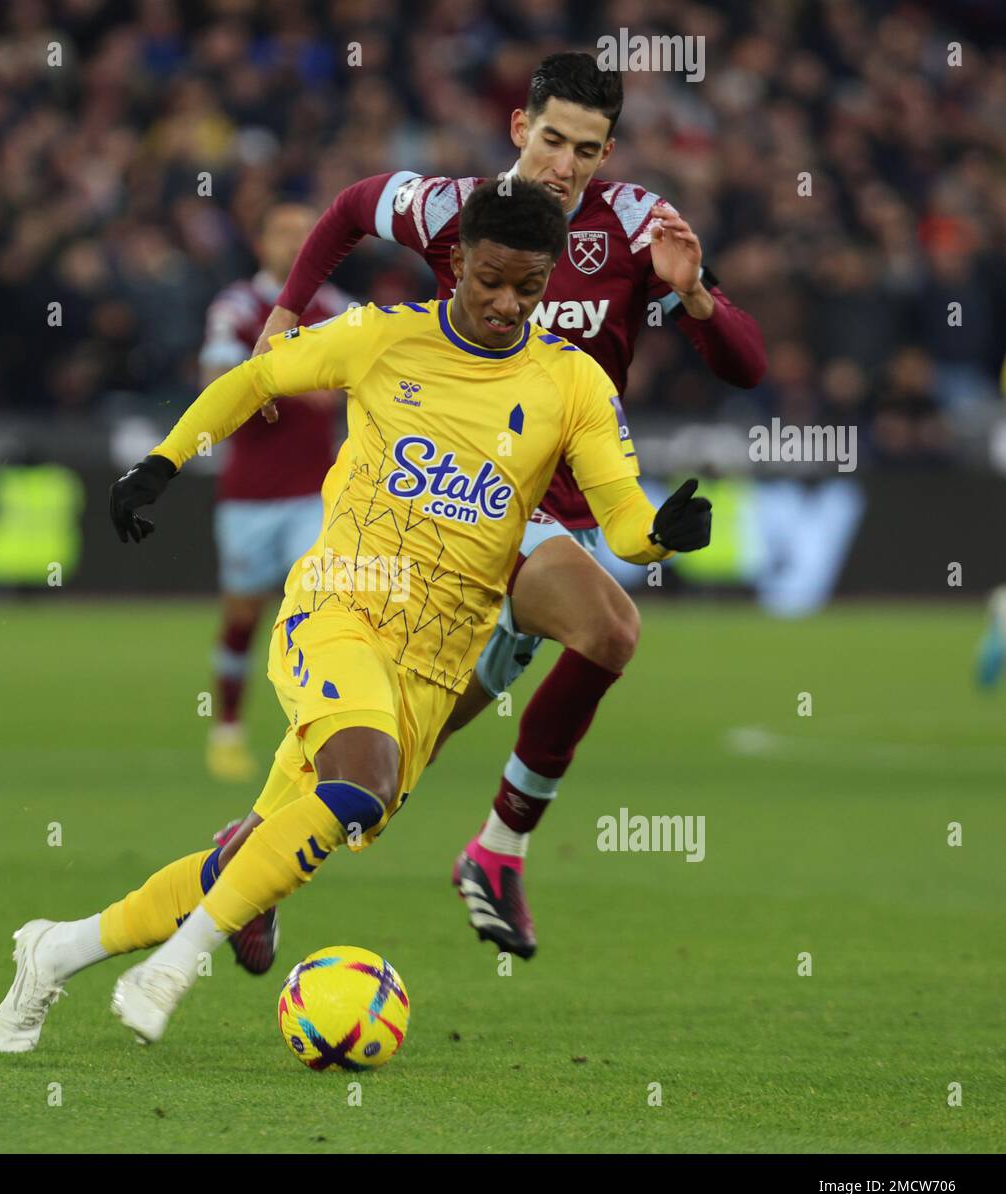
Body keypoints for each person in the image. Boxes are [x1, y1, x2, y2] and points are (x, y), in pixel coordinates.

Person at [0, 178, 712, 1052]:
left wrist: (661, 537)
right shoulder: (383, 338)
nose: (506, 302)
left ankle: (58, 950)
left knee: (256, 853)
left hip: (434, 666)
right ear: (457, 263)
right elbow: (257, 374)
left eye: (529, 288)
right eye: (490, 279)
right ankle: (176, 965)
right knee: (360, 784)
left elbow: (624, 520)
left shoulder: (572, 385)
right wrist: (163, 461)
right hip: (337, 607)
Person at [226, 50, 765, 962]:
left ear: (608, 151)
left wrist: (694, 295)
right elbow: (354, 205)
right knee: (611, 630)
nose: (565, 164)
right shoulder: (457, 210)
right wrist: (288, 309)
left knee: (395, 759)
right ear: (521, 128)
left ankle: (252, 858)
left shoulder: (635, 227)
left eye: (586, 149)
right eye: (551, 138)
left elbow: (745, 369)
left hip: (570, 518)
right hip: (463, 508)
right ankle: (500, 850)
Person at [199, 202, 350, 782]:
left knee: (317, 613)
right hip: (250, 494)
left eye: (304, 234)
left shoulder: (337, 310)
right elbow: (215, 383)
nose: (294, 242)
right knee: (243, 615)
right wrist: (288, 380)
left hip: (315, 493)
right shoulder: (239, 306)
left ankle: (313, 735)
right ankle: (228, 728)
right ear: (261, 242)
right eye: (283, 231)